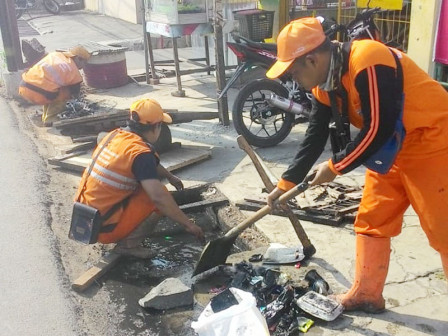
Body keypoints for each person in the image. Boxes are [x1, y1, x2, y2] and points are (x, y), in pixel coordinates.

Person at [265, 17, 448, 313]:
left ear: (311, 59)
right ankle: (366, 293)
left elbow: (378, 126)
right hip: (391, 151)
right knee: (371, 220)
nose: (292, 79)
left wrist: (337, 166)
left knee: (444, 231)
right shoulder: (323, 85)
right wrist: (285, 184)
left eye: (292, 71)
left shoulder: (368, 58)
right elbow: (315, 135)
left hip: (432, 141)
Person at [75, 98, 205, 258]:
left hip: (85, 219)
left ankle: (124, 233)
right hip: (104, 229)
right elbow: (159, 198)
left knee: (148, 187)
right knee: (156, 197)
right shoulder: (140, 154)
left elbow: (145, 165)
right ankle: (128, 246)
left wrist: (170, 176)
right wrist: (189, 225)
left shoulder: (115, 136)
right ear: (156, 127)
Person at [18, 45, 91, 124]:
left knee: (52, 89)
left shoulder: (56, 55)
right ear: (78, 58)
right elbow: (75, 93)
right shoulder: (74, 72)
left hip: (24, 86)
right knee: (64, 94)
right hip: (37, 93)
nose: (84, 66)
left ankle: (45, 116)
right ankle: (50, 119)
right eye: (84, 62)